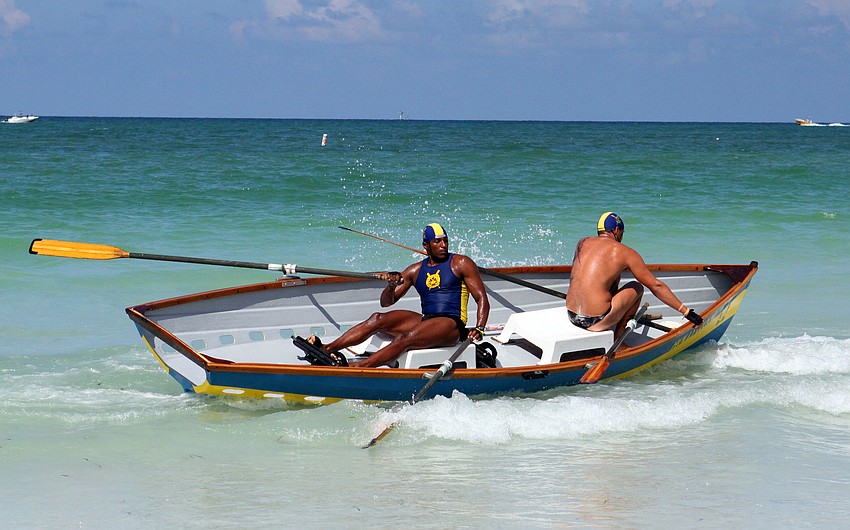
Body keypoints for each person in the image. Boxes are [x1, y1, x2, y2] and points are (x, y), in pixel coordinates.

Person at [308, 222, 490, 368]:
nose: (443, 245)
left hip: (451, 325)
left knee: (405, 338)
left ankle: (359, 368)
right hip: (427, 321)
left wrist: (480, 327)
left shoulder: (461, 263)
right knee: (377, 319)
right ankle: (327, 348)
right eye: (437, 242)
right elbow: (386, 302)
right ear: (426, 245)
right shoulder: (415, 270)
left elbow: (481, 298)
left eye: (445, 241)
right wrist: (391, 285)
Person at [565, 212, 703, 339]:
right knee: (637, 287)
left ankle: (614, 320)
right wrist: (686, 312)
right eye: (622, 233)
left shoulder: (582, 243)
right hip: (595, 321)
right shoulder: (625, 252)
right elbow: (656, 286)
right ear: (617, 230)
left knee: (611, 280)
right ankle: (619, 339)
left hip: (572, 315)